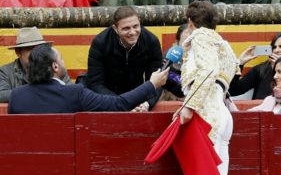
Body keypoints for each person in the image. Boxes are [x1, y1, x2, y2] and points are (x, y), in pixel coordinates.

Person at [176, 1, 240, 175]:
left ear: (190, 22)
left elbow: (206, 72)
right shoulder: (222, 42)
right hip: (223, 114)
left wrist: (189, 105)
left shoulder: (199, 37)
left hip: (207, 114)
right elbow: (230, 72)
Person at [8, 44, 169, 114]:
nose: (63, 62)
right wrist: (151, 84)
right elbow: (119, 104)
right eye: (61, 59)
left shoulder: (16, 96)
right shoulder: (74, 93)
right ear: (55, 67)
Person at [86, 6, 163, 111]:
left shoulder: (151, 41)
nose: (132, 32)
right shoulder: (100, 43)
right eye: (126, 28)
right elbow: (96, 83)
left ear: (140, 23)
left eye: (136, 26)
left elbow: (156, 80)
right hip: (108, 100)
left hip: (137, 99)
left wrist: (146, 104)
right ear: (115, 29)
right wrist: (120, 104)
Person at [0, 26, 72, 102]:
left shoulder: (56, 68)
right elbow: (1, 95)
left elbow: (71, 92)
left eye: (39, 48)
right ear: (18, 52)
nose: (36, 52)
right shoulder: (5, 72)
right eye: (30, 48)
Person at [229, 31, 281, 99]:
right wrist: (239, 64)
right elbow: (232, 91)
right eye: (274, 47)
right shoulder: (260, 70)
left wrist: (277, 68)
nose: (276, 50)